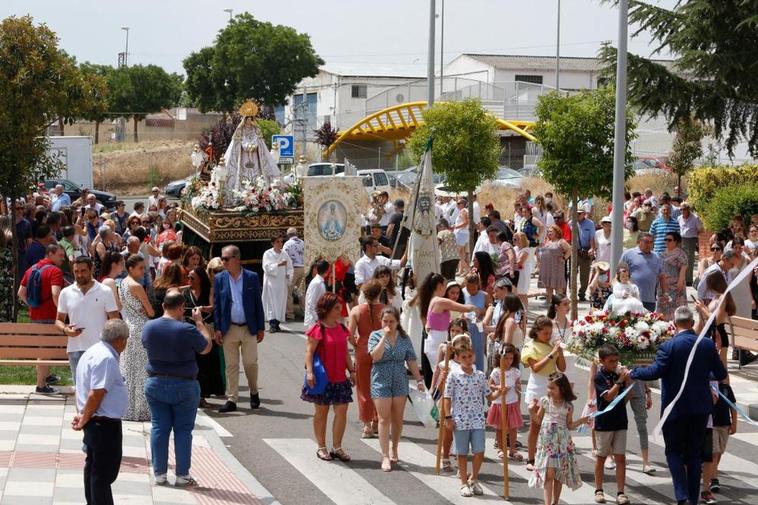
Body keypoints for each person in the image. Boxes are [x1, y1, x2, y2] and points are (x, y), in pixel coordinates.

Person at [631, 305, 727, 505]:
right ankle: (692, 498)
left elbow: (654, 373)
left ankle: (681, 495)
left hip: (674, 410)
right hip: (700, 408)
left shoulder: (669, 346)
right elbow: (721, 374)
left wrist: (632, 372)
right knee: (694, 453)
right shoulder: (707, 345)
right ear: (692, 323)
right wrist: (701, 375)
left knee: (673, 451)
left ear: (674, 325)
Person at [143, 289, 213, 487]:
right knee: (183, 430)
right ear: (182, 308)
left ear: (164, 306)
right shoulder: (187, 330)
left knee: (159, 427)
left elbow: (145, 346)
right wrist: (199, 322)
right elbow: (206, 348)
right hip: (184, 384)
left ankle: (159, 474)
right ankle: (182, 475)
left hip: (155, 382)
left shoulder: (149, 327)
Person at [72, 319, 129, 505]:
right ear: (120, 340)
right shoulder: (105, 358)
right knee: (104, 473)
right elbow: (96, 394)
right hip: (103, 423)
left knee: (95, 470)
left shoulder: (94, 351)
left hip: (95, 421)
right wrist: (84, 418)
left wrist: (83, 416)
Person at [443, 334, 504, 497]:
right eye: (464, 357)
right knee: (462, 453)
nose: (468, 359)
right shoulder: (453, 376)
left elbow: (488, 396)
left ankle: (474, 478)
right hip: (460, 420)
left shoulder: (480, 376)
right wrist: (448, 417)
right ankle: (463, 482)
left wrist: (498, 393)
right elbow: (447, 398)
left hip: (477, 419)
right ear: (457, 358)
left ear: (474, 355)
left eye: (470, 356)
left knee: (479, 451)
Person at [369, 306, 424, 471]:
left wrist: (419, 379)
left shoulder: (404, 338)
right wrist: (384, 338)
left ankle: (394, 447)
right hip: (380, 379)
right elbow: (375, 356)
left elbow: (412, 360)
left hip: (400, 379)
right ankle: (385, 455)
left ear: (398, 322)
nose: (388, 324)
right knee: (383, 418)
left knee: (397, 417)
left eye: (392, 321)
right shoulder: (375, 335)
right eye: (385, 321)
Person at [302, 292, 355, 462]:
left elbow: (346, 352)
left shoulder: (341, 328)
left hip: (340, 378)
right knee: (321, 412)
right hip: (323, 379)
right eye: (337, 308)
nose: (341, 311)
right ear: (327, 310)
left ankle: (337, 447)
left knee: (341, 411)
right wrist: (309, 372)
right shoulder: (318, 329)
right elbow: (309, 352)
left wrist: (352, 371)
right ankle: (321, 447)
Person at [214, 245, 265, 413]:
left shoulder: (251, 277)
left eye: (226, 259)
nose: (223, 262)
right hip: (229, 328)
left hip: (248, 327)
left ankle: (254, 391)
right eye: (222, 258)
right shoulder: (220, 278)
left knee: (250, 363)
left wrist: (260, 327)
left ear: (237, 259)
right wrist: (217, 328)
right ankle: (232, 399)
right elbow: (218, 306)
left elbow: (258, 303)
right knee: (231, 365)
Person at [55, 256, 120, 383]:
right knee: (80, 391)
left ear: (91, 270)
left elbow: (115, 320)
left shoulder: (105, 291)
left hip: (100, 349)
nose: (79, 275)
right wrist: (65, 330)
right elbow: (58, 320)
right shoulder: (66, 292)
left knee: (101, 391)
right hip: (75, 349)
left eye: (83, 271)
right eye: (76, 272)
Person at [529, 372, 588, 505]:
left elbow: (569, 425)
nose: (549, 390)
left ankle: (556, 502)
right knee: (549, 474)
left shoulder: (568, 406)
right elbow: (538, 420)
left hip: (561, 443)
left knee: (558, 475)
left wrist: (582, 421)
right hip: (547, 444)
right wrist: (531, 411)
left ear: (562, 388)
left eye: (552, 388)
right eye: (548, 387)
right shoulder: (545, 401)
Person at [18, 244, 65, 393]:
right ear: (50, 254)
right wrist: (61, 313)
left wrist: (33, 305)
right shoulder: (55, 271)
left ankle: (46, 375)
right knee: (45, 350)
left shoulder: (31, 269)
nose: (63, 259)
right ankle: (41, 385)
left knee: (42, 348)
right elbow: (56, 294)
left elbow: (20, 292)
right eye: (60, 255)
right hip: (50, 315)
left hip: (35, 315)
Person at [522, 316, 566, 471]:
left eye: (549, 333)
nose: (548, 336)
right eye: (545, 333)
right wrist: (552, 354)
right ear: (537, 332)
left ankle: (549, 456)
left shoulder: (551, 346)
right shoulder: (530, 346)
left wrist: (559, 351)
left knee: (552, 424)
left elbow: (562, 368)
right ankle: (531, 458)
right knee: (535, 425)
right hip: (537, 387)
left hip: (552, 387)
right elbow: (535, 368)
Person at [593, 344, 631, 505]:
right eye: (611, 361)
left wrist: (627, 379)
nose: (614, 364)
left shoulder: (619, 375)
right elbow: (608, 397)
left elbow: (629, 396)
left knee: (620, 457)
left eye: (616, 360)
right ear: (602, 361)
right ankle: (599, 489)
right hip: (604, 422)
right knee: (601, 457)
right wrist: (620, 381)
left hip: (620, 420)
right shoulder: (599, 377)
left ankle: (621, 492)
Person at [118, 254, 155, 422]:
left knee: (130, 370)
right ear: (130, 268)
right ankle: (141, 411)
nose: (143, 271)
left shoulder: (122, 284)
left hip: (129, 325)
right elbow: (151, 311)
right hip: (140, 327)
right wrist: (147, 311)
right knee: (141, 371)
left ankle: (129, 409)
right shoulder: (136, 286)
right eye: (140, 268)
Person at [418, 273, 477, 376]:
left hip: (438, 338)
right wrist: (476, 308)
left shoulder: (434, 300)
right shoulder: (440, 301)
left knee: (442, 373)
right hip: (437, 340)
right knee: (442, 374)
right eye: (445, 286)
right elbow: (465, 308)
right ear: (441, 286)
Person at [348, 280, 384, 438]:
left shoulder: (356, 310)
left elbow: (349, 335)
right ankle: (377, 422)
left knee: (364, 388)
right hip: (381, 351)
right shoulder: (385, 310)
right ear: (379, 293)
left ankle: (367, 425)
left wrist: (357, 346)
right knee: (380, 387)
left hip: (363, 349)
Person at [184, 267, 224, 404]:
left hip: (205, 330)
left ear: (201, 279)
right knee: (192, 363)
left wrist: (208, 309)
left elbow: (213, 307)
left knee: (205, 364)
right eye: (188, 277)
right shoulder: (185, 292)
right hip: (189, 330)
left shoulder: (209, 291)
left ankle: (202, 395)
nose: (189, 280)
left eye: (192, 278)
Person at [701, 378, 737, 504]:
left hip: (725, 425)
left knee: (719, 452)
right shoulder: (708, 386)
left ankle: (710, 471)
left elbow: (733, 406)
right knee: (714, 452)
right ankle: (714, 479)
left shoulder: (727, 388)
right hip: (713, 424)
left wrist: (734, 423)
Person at [487, 344, 524, 461]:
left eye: (511, 358)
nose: (509, 361)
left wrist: (518, 387)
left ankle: (512, 449)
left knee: (513, 427)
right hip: (499, 402)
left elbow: (518, 384)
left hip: (512, 402)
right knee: (500, 427)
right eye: (506, 358)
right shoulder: (497, 371)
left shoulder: (515, 371)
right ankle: (501, 448)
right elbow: (490, 385)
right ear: (500, 358)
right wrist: (498, 387)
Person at [619, 232, 667, 312]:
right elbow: (619, 274)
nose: (649, 245)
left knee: (648, 322)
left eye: (651, 242)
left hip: (649, 299)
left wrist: (665, 293)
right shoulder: (628, 254)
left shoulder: (656, 257)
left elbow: (661, 276)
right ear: (639, 242)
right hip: (631, 298)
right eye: (646, 242)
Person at [262, 233, 293, 332]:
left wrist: (288, 274)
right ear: (273, 243)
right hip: (271, 282)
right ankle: (272, 324)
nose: (280, 244)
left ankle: (277, 323)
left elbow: (290, 267)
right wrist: (278, 264)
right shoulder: (268, 253)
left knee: (280, 303)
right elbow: (266, 267)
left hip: (281, 282)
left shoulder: (284, 254)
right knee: (271, 303)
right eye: (277, 242)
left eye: (281, 242)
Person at [656, 231, 688, 320]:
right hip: (663, 285)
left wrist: (680, 281)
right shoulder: (662, 253)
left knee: (675, 308)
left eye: (669, 240)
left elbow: (684, 267)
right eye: (665, 240)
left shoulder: (680, 253)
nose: (666, 241)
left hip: (675, 284)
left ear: (676, 241)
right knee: (663, 308)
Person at [463, 273, 489, 373]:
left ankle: (479, 374)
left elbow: (489, 309)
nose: (471, 291)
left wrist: (480, 311)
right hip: (466, 327)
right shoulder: (462, 293)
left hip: (479, 328)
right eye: (469, 289)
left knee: (478, 353)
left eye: (474, 289)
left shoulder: (484, 295)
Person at [538, 225, 571, 303]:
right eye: (548, 231)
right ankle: (549, 302)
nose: (549, 233)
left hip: (557, 267)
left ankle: (560, 303)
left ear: (556, 232)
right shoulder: (548, 242)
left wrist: (564, 258)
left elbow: (569, 249)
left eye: (550, 231)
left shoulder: (561, 241)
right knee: (548, 286)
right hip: (547, 267)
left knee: (558, 286)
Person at [678, 203, 703, 285]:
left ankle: (688, 280)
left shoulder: (695, 218)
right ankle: (681, 278)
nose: (682, 211)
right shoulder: (679, 218)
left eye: (684, 209)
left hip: (691, 239)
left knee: (689, 260)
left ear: (688, 209)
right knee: (681, 259)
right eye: (681, 209)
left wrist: (695, 238)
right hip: (681, 239)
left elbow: (700, 229)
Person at [283, 227, 305, 320]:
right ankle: (305, 312)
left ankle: (290, 313)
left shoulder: (287, 244)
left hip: (293, 269)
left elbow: (284, 257)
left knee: (289, 292)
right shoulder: (303, 242)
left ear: (288, 235)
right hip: (303, 268)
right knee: (301, 292)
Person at [575, 208, 596, 301]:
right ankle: (572, 292)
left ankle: (582, 293)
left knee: (585, 274)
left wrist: (592, 248)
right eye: (576, 213)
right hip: (574, 251)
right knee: (572, 273)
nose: (577, 215)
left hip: (585, 251)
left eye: (579, 213)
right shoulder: (571, 223)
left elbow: (592, 237)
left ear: (584, 214)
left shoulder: (590, 223)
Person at [513, 231, 535, 311]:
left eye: (516, 239)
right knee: (516, 293)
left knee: (522, 293)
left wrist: (511, 262)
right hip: (516, 272)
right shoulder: (514, 248)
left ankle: (525, 311)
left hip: (523, 273)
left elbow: (519, 262)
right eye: (514, 239)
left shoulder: (526, 249)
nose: (514, 240)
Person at [304, 260, 329, 330]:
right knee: (313, 340)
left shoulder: (320, 282)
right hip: (313, 319)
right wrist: (316, 318)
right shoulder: (316, 283)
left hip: (318, 317)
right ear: (327, 271)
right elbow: (310, 303)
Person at [453, 198, 470, 276]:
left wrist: (455, 227)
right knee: (461, 253)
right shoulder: (464, 211)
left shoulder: (463, 211)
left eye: (458, 203)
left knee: (457, 253)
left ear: (463, 204)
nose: (457, 204)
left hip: (461, 234)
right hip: (463, 234)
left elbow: (465, 222)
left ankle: (467, 269)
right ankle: (461, 270)